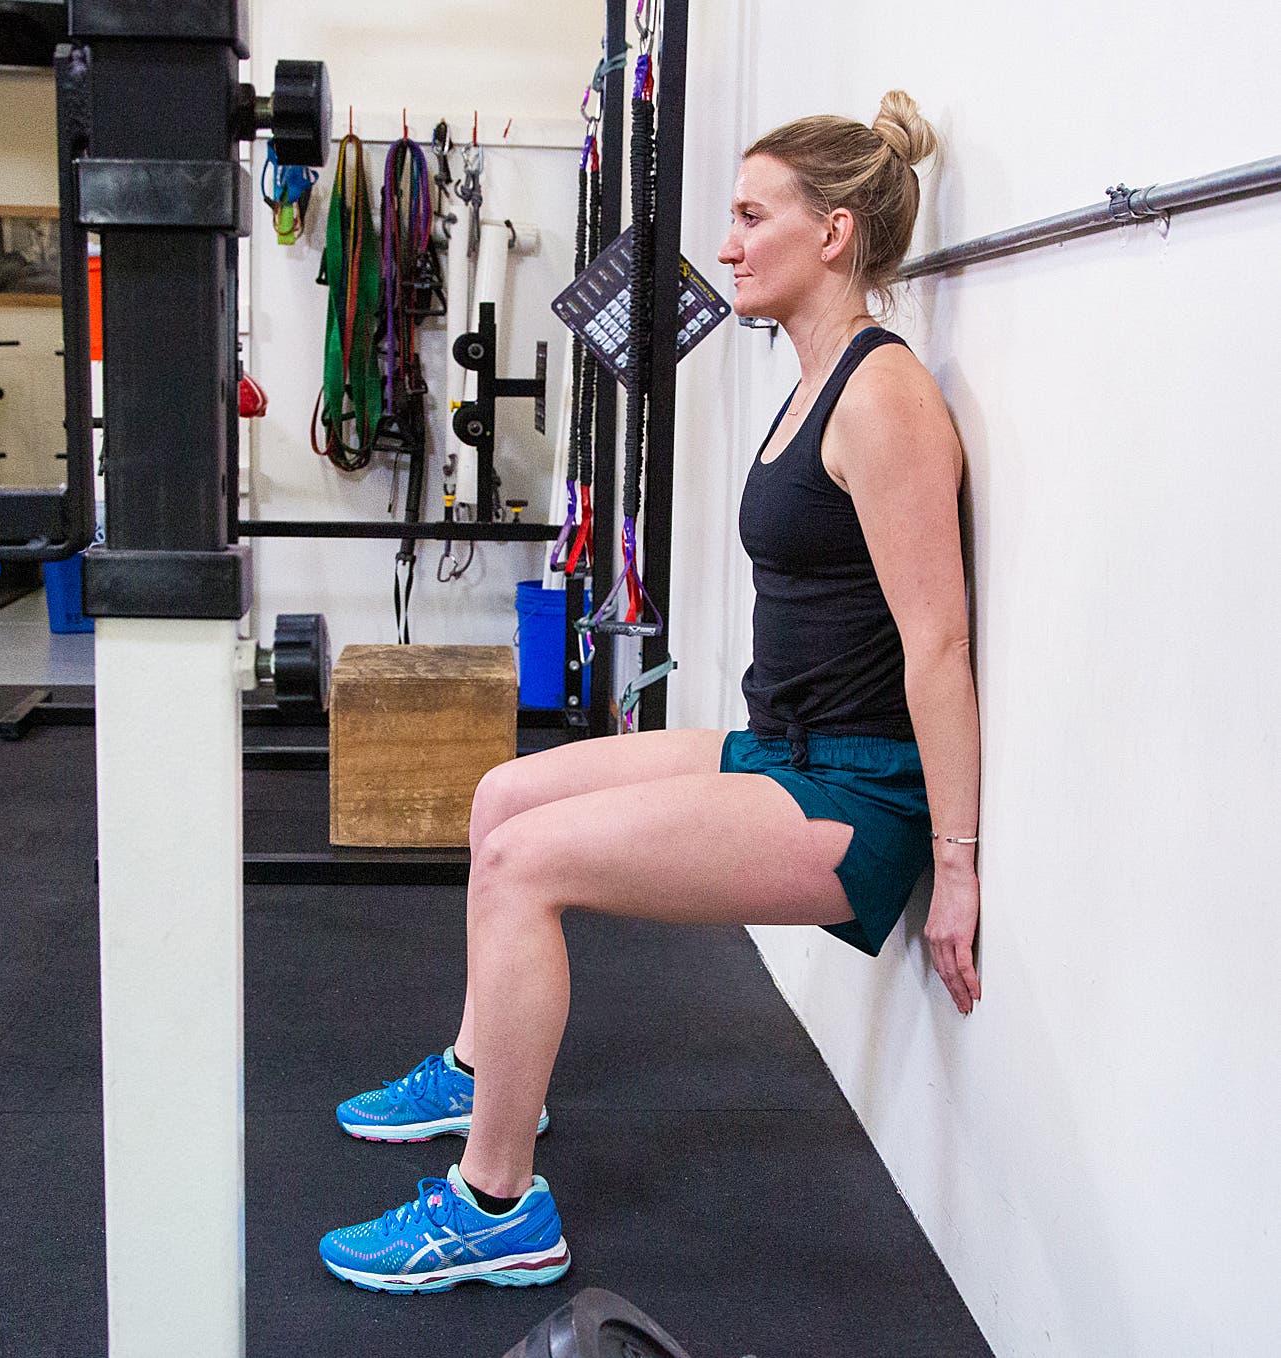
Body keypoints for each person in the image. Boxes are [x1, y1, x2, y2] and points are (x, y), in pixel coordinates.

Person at [318, 90, 982, 1294]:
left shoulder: (882, 395)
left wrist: (959, 861)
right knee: (502, 800)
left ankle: (496, 1202)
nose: (724, 244)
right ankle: (480, 1069)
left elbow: (938, 645)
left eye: (747, 215)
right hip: (784, 746)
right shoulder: (810, 378)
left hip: (859, 797)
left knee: (530, 869)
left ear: (833, 232)